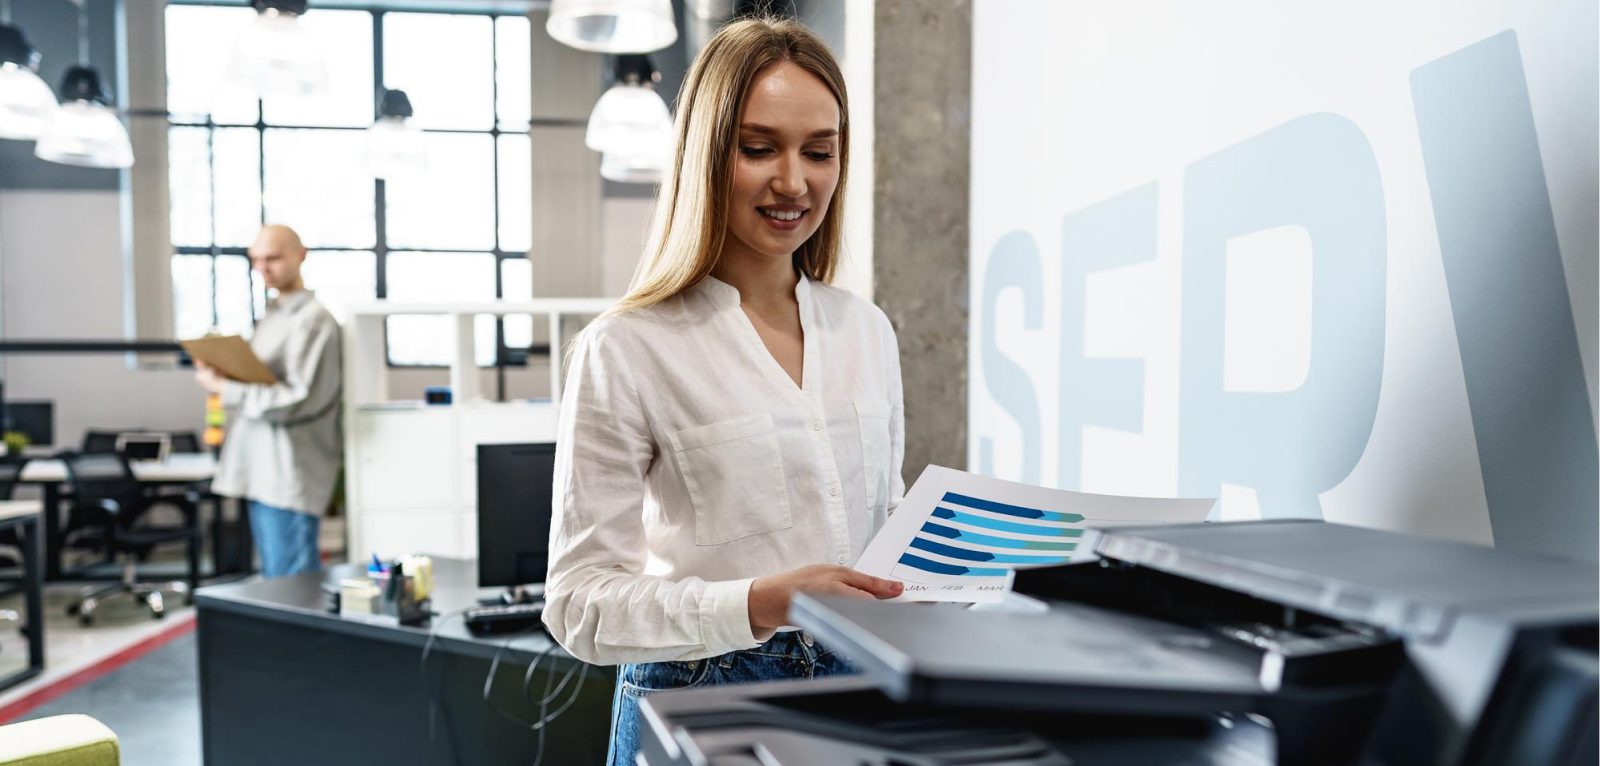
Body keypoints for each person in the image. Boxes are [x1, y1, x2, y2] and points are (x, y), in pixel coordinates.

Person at [541, 17, 906, 766]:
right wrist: (763, 602)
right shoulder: (628, 348)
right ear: (707, 155)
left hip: (859, 694)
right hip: (696, 698)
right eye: (758, 148)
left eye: (819, 152)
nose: (794, 182)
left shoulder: (866, 331)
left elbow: (886, 523)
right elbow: (578, 606)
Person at [193, 224, 342, 579]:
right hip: (261, 469)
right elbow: (262, 382)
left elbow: (297, 398)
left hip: (288, 474)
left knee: (293, 586)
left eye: (273, 258)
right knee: (277, 582)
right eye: (256, 260)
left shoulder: (314, 321)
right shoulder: (273, 316)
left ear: (300, 255)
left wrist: (224, 389)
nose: (263, 268)